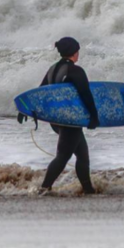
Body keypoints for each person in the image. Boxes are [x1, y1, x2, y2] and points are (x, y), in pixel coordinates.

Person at [31, 37, 100, 195]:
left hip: (57, 120)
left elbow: (40, 93)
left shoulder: (52, 69)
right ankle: (44, 188)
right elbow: (85, 95)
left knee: (83, 156)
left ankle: (88, 189)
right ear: (75, 52)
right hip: (71, 120)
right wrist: (94, 117)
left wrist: (28, 110)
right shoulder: (76, 71)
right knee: (63, 156)